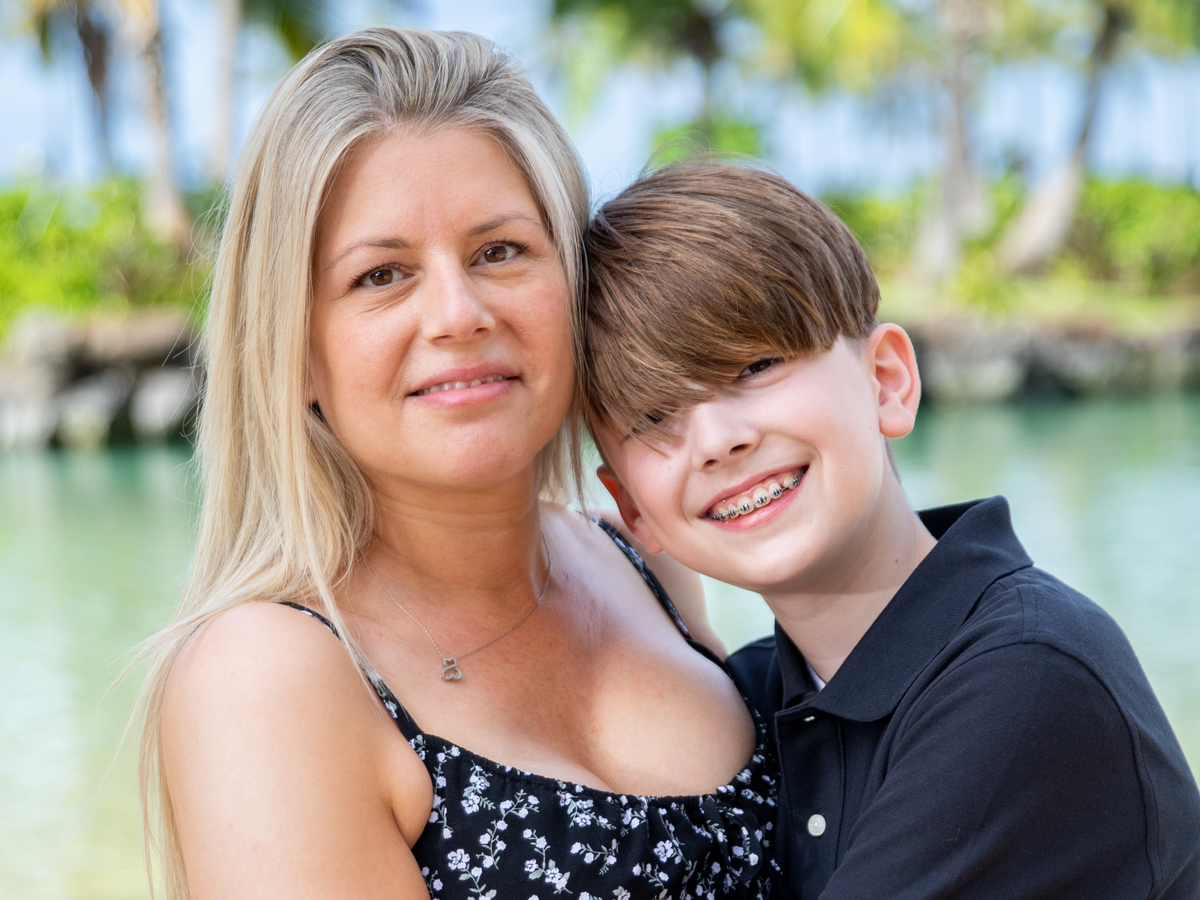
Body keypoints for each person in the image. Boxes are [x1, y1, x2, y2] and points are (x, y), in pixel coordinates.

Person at [134, 30, 778, 900]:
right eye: (381, 275)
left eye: (499, 251)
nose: (457, 313)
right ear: (296, 353)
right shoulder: (268, 678)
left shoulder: (643, 559)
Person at [582, 162, 1200, 899]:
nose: (717, 439)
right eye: (656, 416)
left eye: (755, 365)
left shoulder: (1028, 676)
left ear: (887, 381)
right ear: (634, 509)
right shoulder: (743, 705)